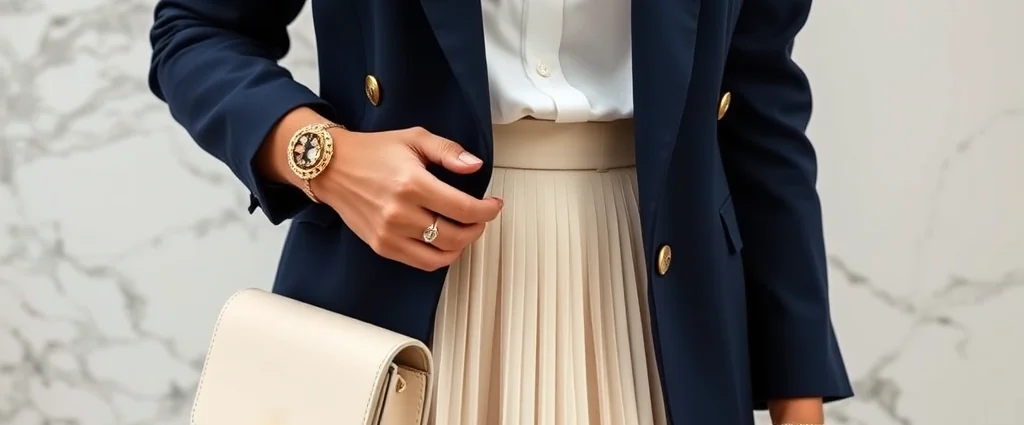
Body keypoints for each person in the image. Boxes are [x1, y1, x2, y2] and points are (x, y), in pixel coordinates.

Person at [148, 0, 853, 423]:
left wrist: (798, 398)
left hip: (654, 312)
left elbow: (756, 100)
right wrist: (325, 157)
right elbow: (198, 29)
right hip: (402, 299)